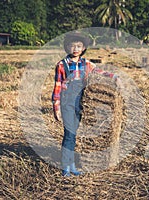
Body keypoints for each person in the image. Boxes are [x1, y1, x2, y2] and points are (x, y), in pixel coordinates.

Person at [52, 32, 119, 177]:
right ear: (67, 47)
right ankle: (66, 166)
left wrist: (114, 77)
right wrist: (56, 106)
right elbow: (57, 86)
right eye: (72, 45)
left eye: (79, 46)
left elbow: (99, 72)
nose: (75, 48)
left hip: (80, 102)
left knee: (74, 134)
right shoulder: (61, 65)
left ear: (83, 48)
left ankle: (72, 165)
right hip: (67, 103)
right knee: (69, 134)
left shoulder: (86, 64)